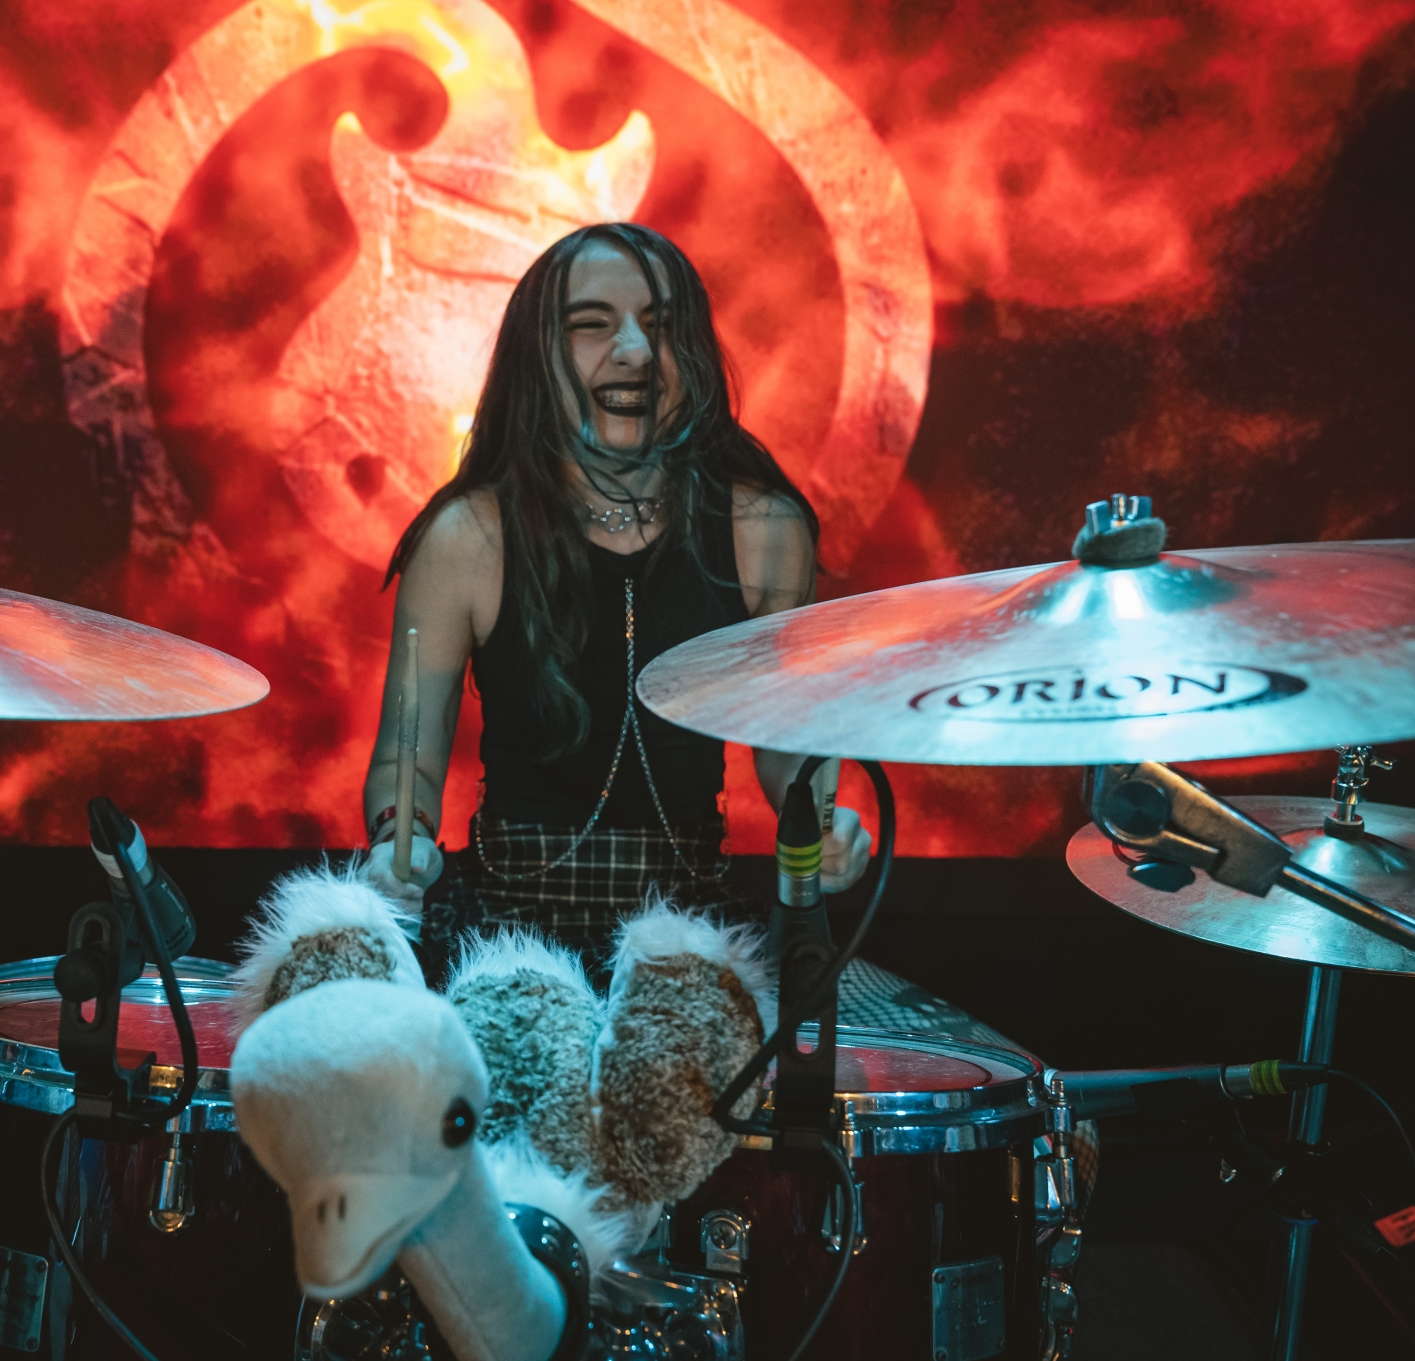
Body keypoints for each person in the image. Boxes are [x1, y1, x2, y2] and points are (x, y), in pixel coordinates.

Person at [355, 220, 1096, 1197]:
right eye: (592, 324)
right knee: (520, 1099)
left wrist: (819, 821)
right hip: (506, 922)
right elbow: (405, 758)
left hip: (684, 921)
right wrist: (396, 833)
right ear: (539, 351)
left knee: (685, 1121)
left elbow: (785, 749)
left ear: (690, 351)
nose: (631, 351)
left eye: (658, 324)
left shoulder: (759, 528)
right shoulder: (467, 534)